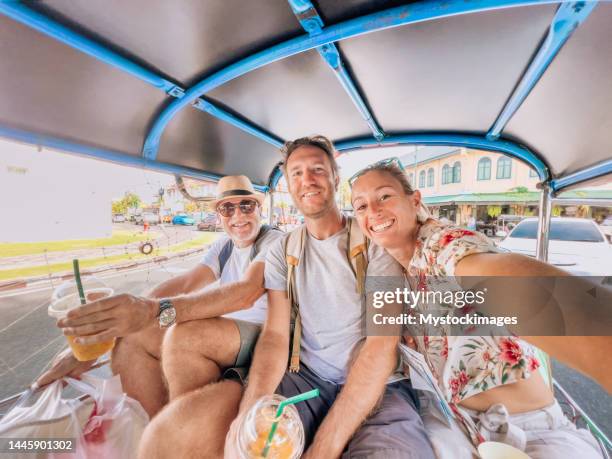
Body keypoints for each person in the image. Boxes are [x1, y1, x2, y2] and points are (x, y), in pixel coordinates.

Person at [138, 136, 434, 459]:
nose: (307, 180)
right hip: (304, 381)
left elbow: (381, 347)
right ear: (289, 187)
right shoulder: (284, 250)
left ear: (336, 177)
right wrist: (252, 409)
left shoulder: (375, 240)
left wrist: (323, 447)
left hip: (381, 389)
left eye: (317, 169)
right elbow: (276, 336)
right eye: (296, 173)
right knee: (173, 439)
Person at [349, 159, 604, 458]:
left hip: (532, 431)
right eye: (361, 206)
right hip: (458, 425)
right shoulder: (395, 271)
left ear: (415, 200)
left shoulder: (441, 244)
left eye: (384, 196)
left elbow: (504, 280)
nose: (374, 211)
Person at [36, 175, 283, 416]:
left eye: (246, 206)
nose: (238, 215)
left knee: (185, 335)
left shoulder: (274, 242)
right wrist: (120, 323)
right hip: (228, 333)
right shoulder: (225, 246)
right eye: (228, 208)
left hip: (264, 335)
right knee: (133, 334)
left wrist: (152, 312)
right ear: (219, 216)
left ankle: (181, 434)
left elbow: (245, 294)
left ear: (259, 209)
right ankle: (151, 426)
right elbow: (187, 282)